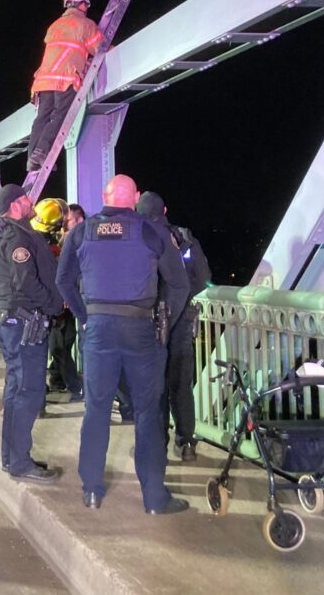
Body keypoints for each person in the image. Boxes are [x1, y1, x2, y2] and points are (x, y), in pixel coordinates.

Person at [56, 174, 190, 514]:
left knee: (96, 409)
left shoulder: (81, 232)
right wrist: (164, 324)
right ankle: (154, 497)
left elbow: (64, 281)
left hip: (98, 328)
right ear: (135, 198)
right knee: (147, 412)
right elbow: (179, 284)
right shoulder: (151, 230)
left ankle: (90, 489)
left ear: (105, 196)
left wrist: (86, 316)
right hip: (140, 329)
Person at [0, 185, 63, 483]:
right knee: (28, 392)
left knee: (16, 390)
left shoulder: (9, 233)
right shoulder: (16, 236)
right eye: (26, 199)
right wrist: (53, 303)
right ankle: (20, 463)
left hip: (15, 322)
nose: (32, 202)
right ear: (15, 205)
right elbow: (25, 282)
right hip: (25, 322)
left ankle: (12, 457)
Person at [136, 191, 212, 462]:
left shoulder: (139, 239)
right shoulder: (185, 239)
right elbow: (203, 279)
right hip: (181, 320)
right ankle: (186, 442)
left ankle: (157, 443)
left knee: (154, 384)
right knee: (180, 383)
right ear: (165, 209)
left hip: (150, 320)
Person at [26, 0, 104, 172]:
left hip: (44, 80)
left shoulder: (54, 25)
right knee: (59, 115)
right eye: (86, 5)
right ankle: (42, 151)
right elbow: (100, 49)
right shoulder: (85, 24)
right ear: (82, 4)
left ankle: (31, 157)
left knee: (42, 117)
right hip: (65, 77)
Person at [47, 204, 85, 401]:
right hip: (66, 304)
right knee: (61, 345)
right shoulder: (63, 241)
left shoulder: (80, 242)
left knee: (61, 346)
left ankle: (76, 386)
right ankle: (60, 379)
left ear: (79, 220)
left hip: (73, 303)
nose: (62, 225)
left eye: (67, 221)